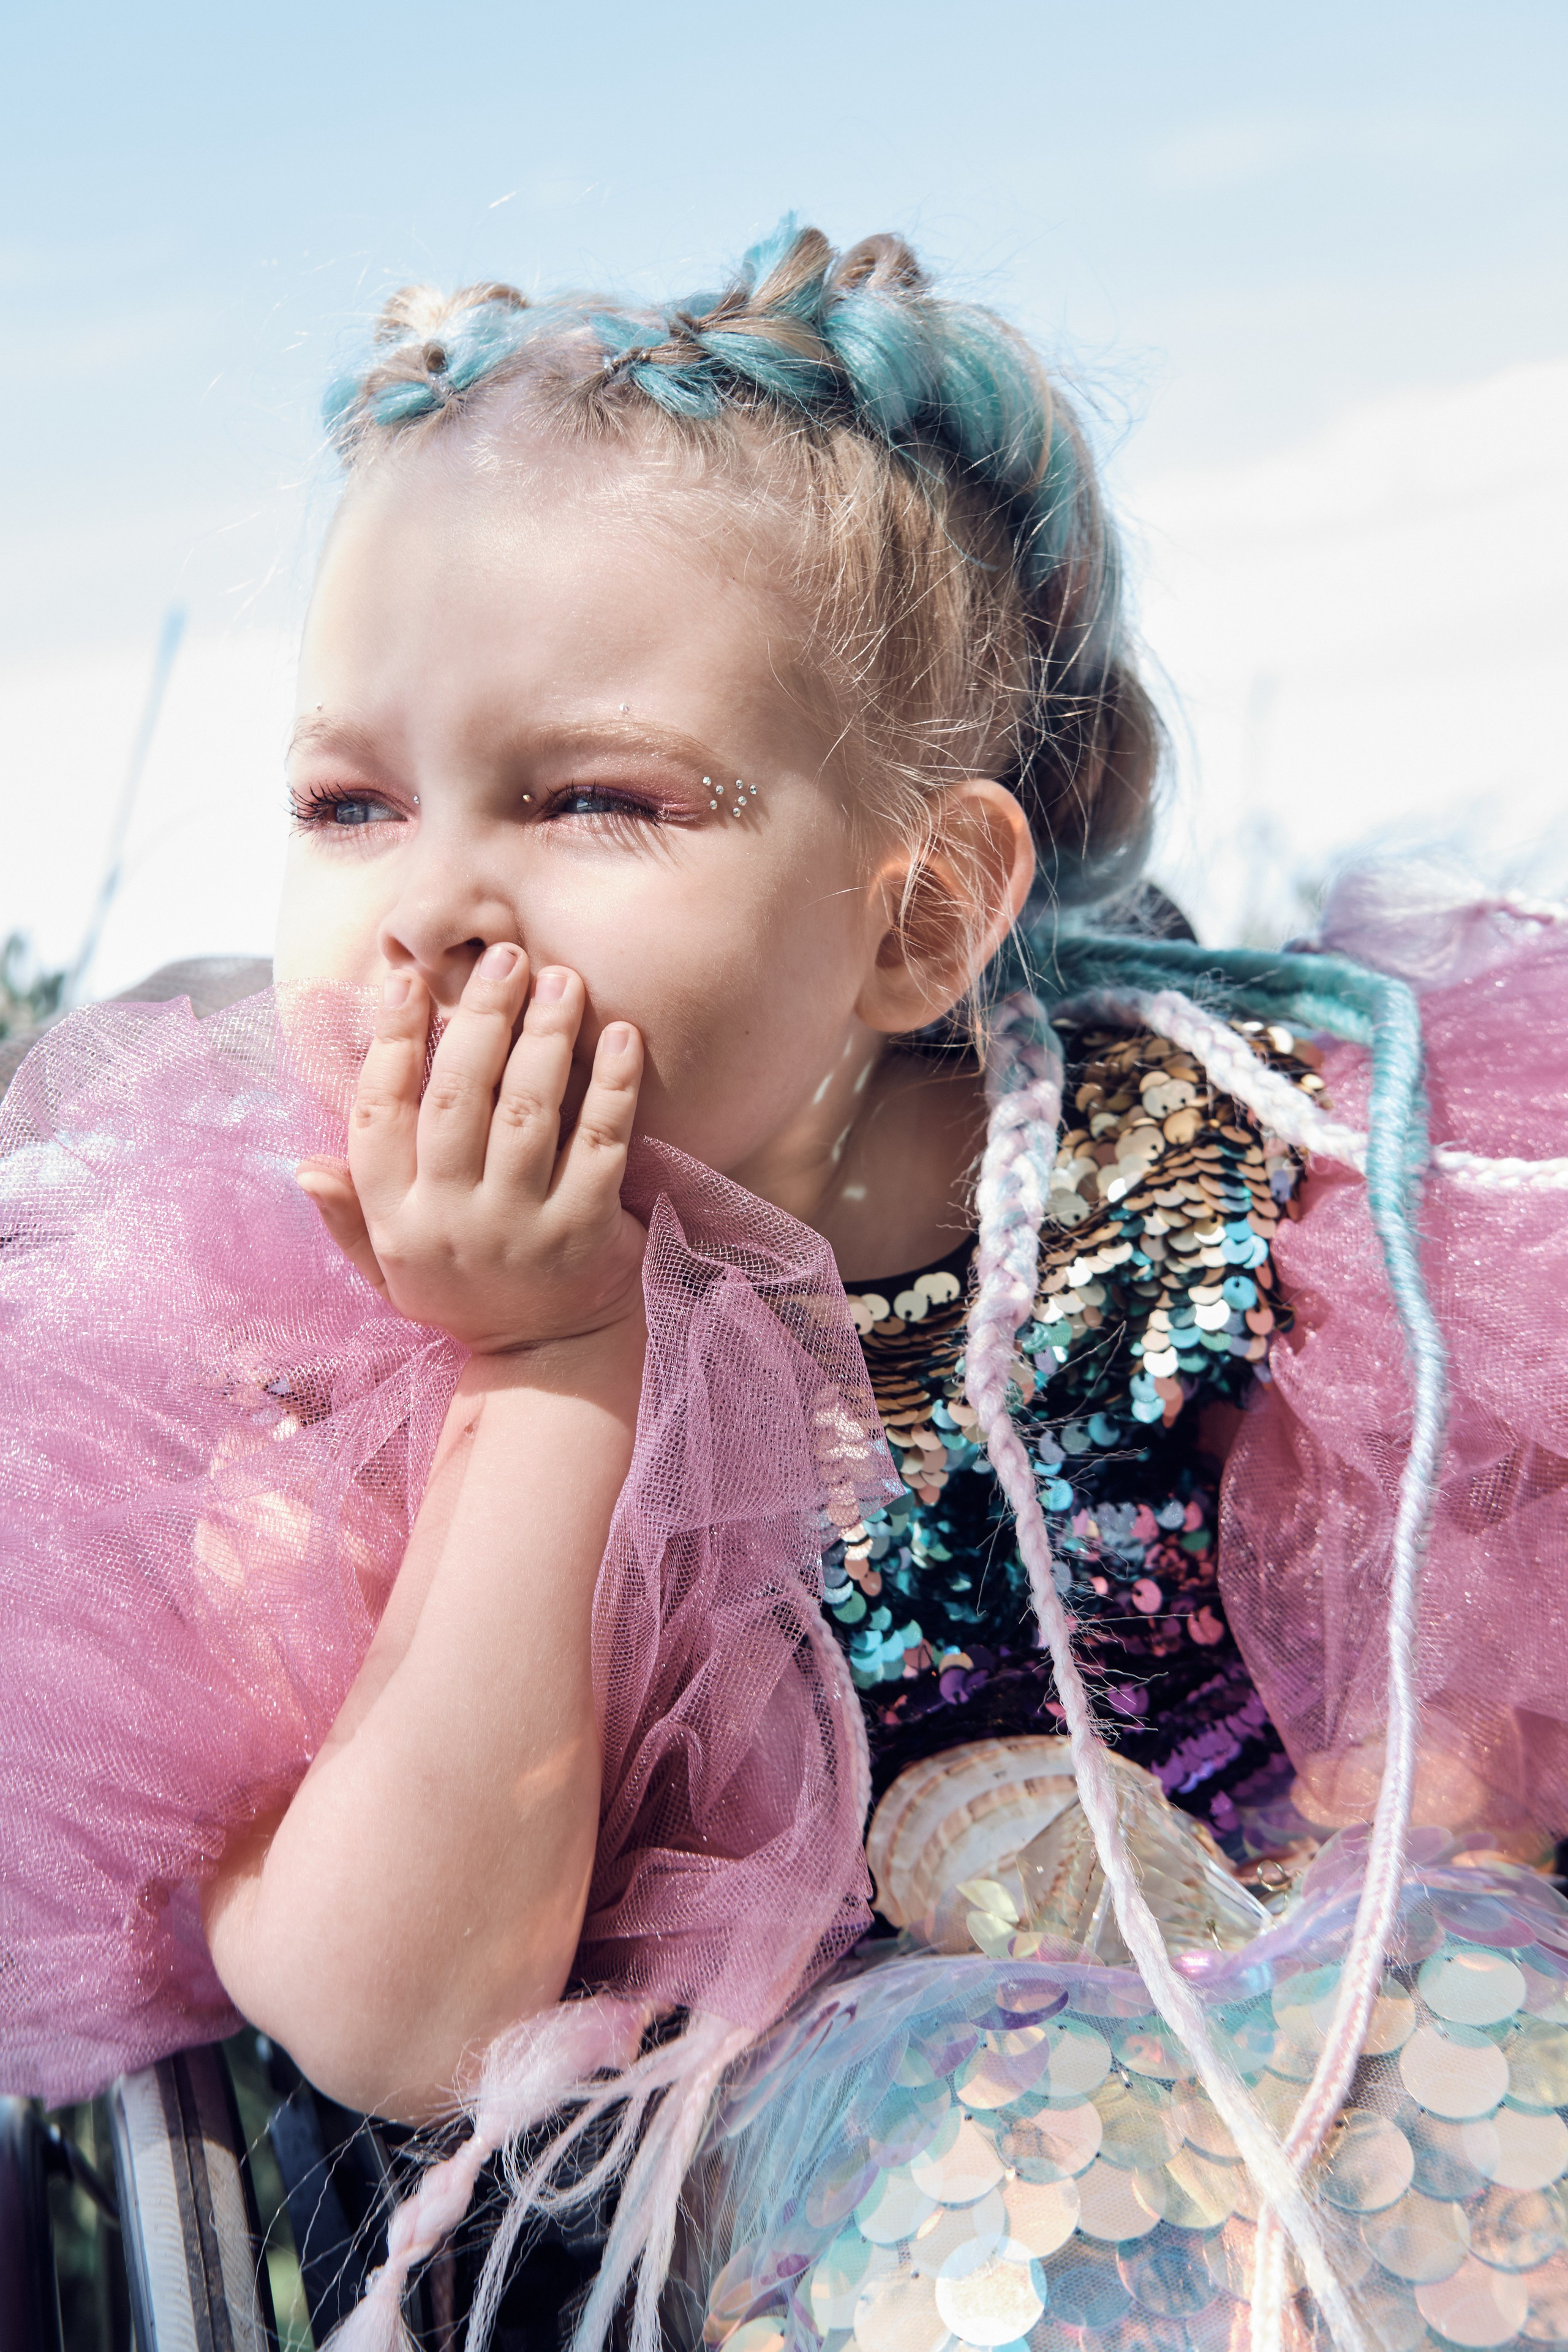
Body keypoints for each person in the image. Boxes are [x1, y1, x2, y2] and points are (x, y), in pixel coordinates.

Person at [4, 219, 1568, 2352]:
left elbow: (1467, 1709)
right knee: (960, 2138)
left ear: (919, 913)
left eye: (595, 799)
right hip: (786, 2260)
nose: (434, 905)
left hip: (1375, 2146)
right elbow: (398, 2021)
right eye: (349, 803)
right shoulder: (310, 1350)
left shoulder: (1235, 1193)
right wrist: (547, 1369)